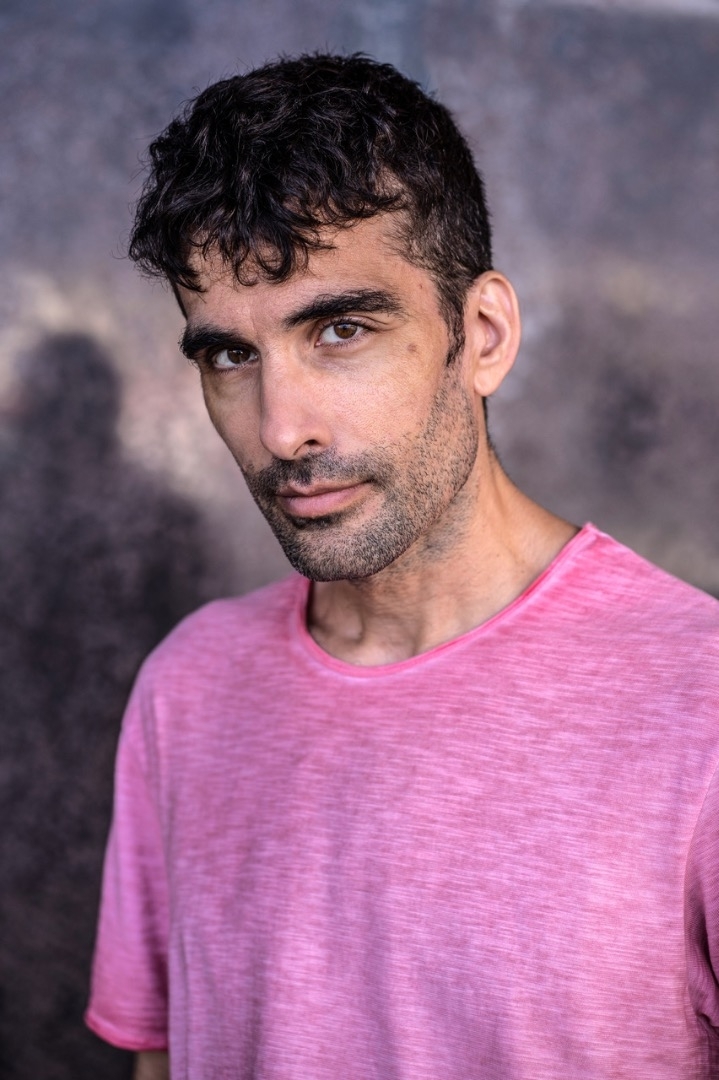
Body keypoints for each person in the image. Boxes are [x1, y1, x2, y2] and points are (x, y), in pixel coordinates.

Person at [86, 54, 719, 1080]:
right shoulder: (189, 689)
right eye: (231, 356)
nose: (281, 430)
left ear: (481, 335)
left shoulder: (698, 704)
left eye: (340, 331)